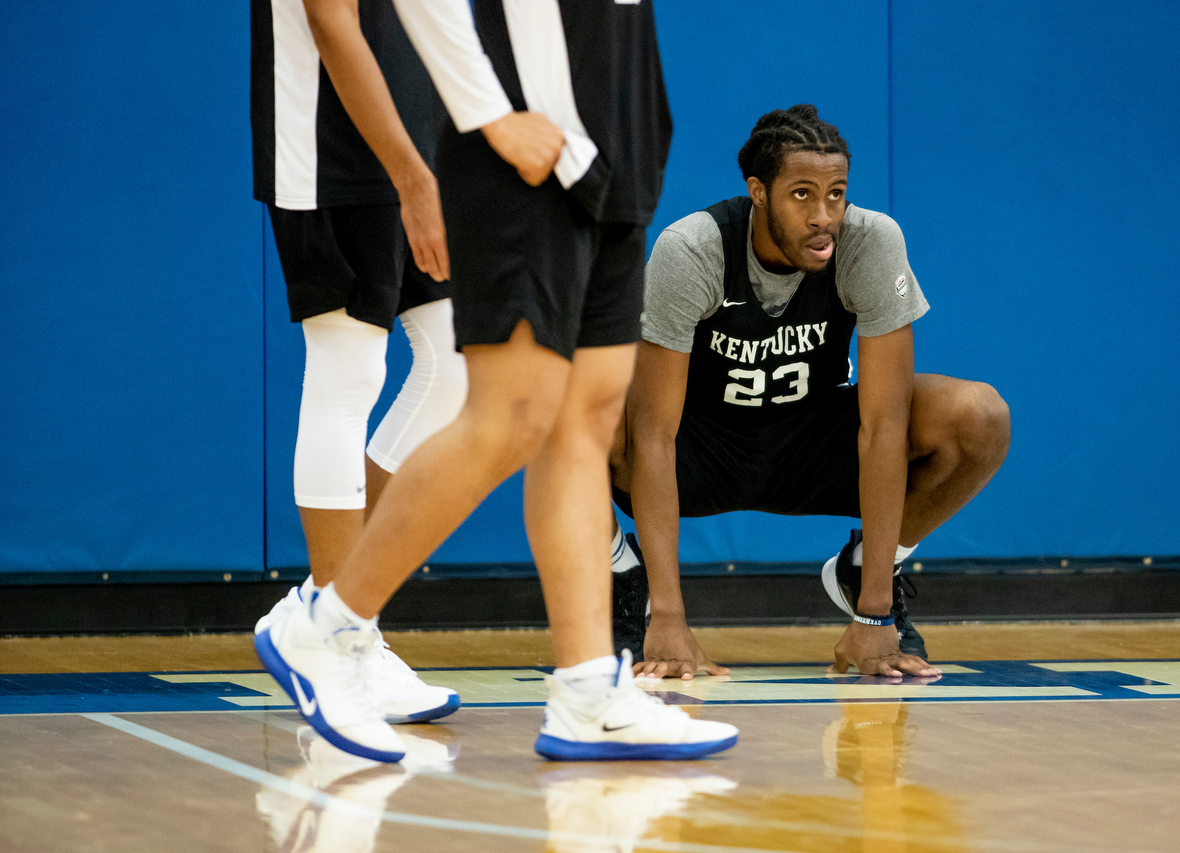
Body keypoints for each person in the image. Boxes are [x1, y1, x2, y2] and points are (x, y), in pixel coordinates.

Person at [255, 0, 739, 763]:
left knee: (582, 421)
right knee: (505, 412)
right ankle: (328, 623)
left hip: (612, 150)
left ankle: (587, 690)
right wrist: (487, 112)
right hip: (518, 148)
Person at [607, 105, 1011, 680]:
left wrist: (874, 619)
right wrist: (667, 616)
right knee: (561, 409)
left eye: (836, 194)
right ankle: (626, 576)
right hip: (698, 448)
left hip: (813, 443)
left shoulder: (870, 242)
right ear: (759, 192)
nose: (824, 216)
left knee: (979, 416)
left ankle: (870, 566)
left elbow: (884, 426)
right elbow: (653, 432)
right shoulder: (694, 249)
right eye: (802, 195)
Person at [250, 0, 468, 725]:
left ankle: (336, 613)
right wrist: (411, 175)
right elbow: (330, 18)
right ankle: (339, 637)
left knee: (456, 370)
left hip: (419, 151)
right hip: (332, 149)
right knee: (348, 372)